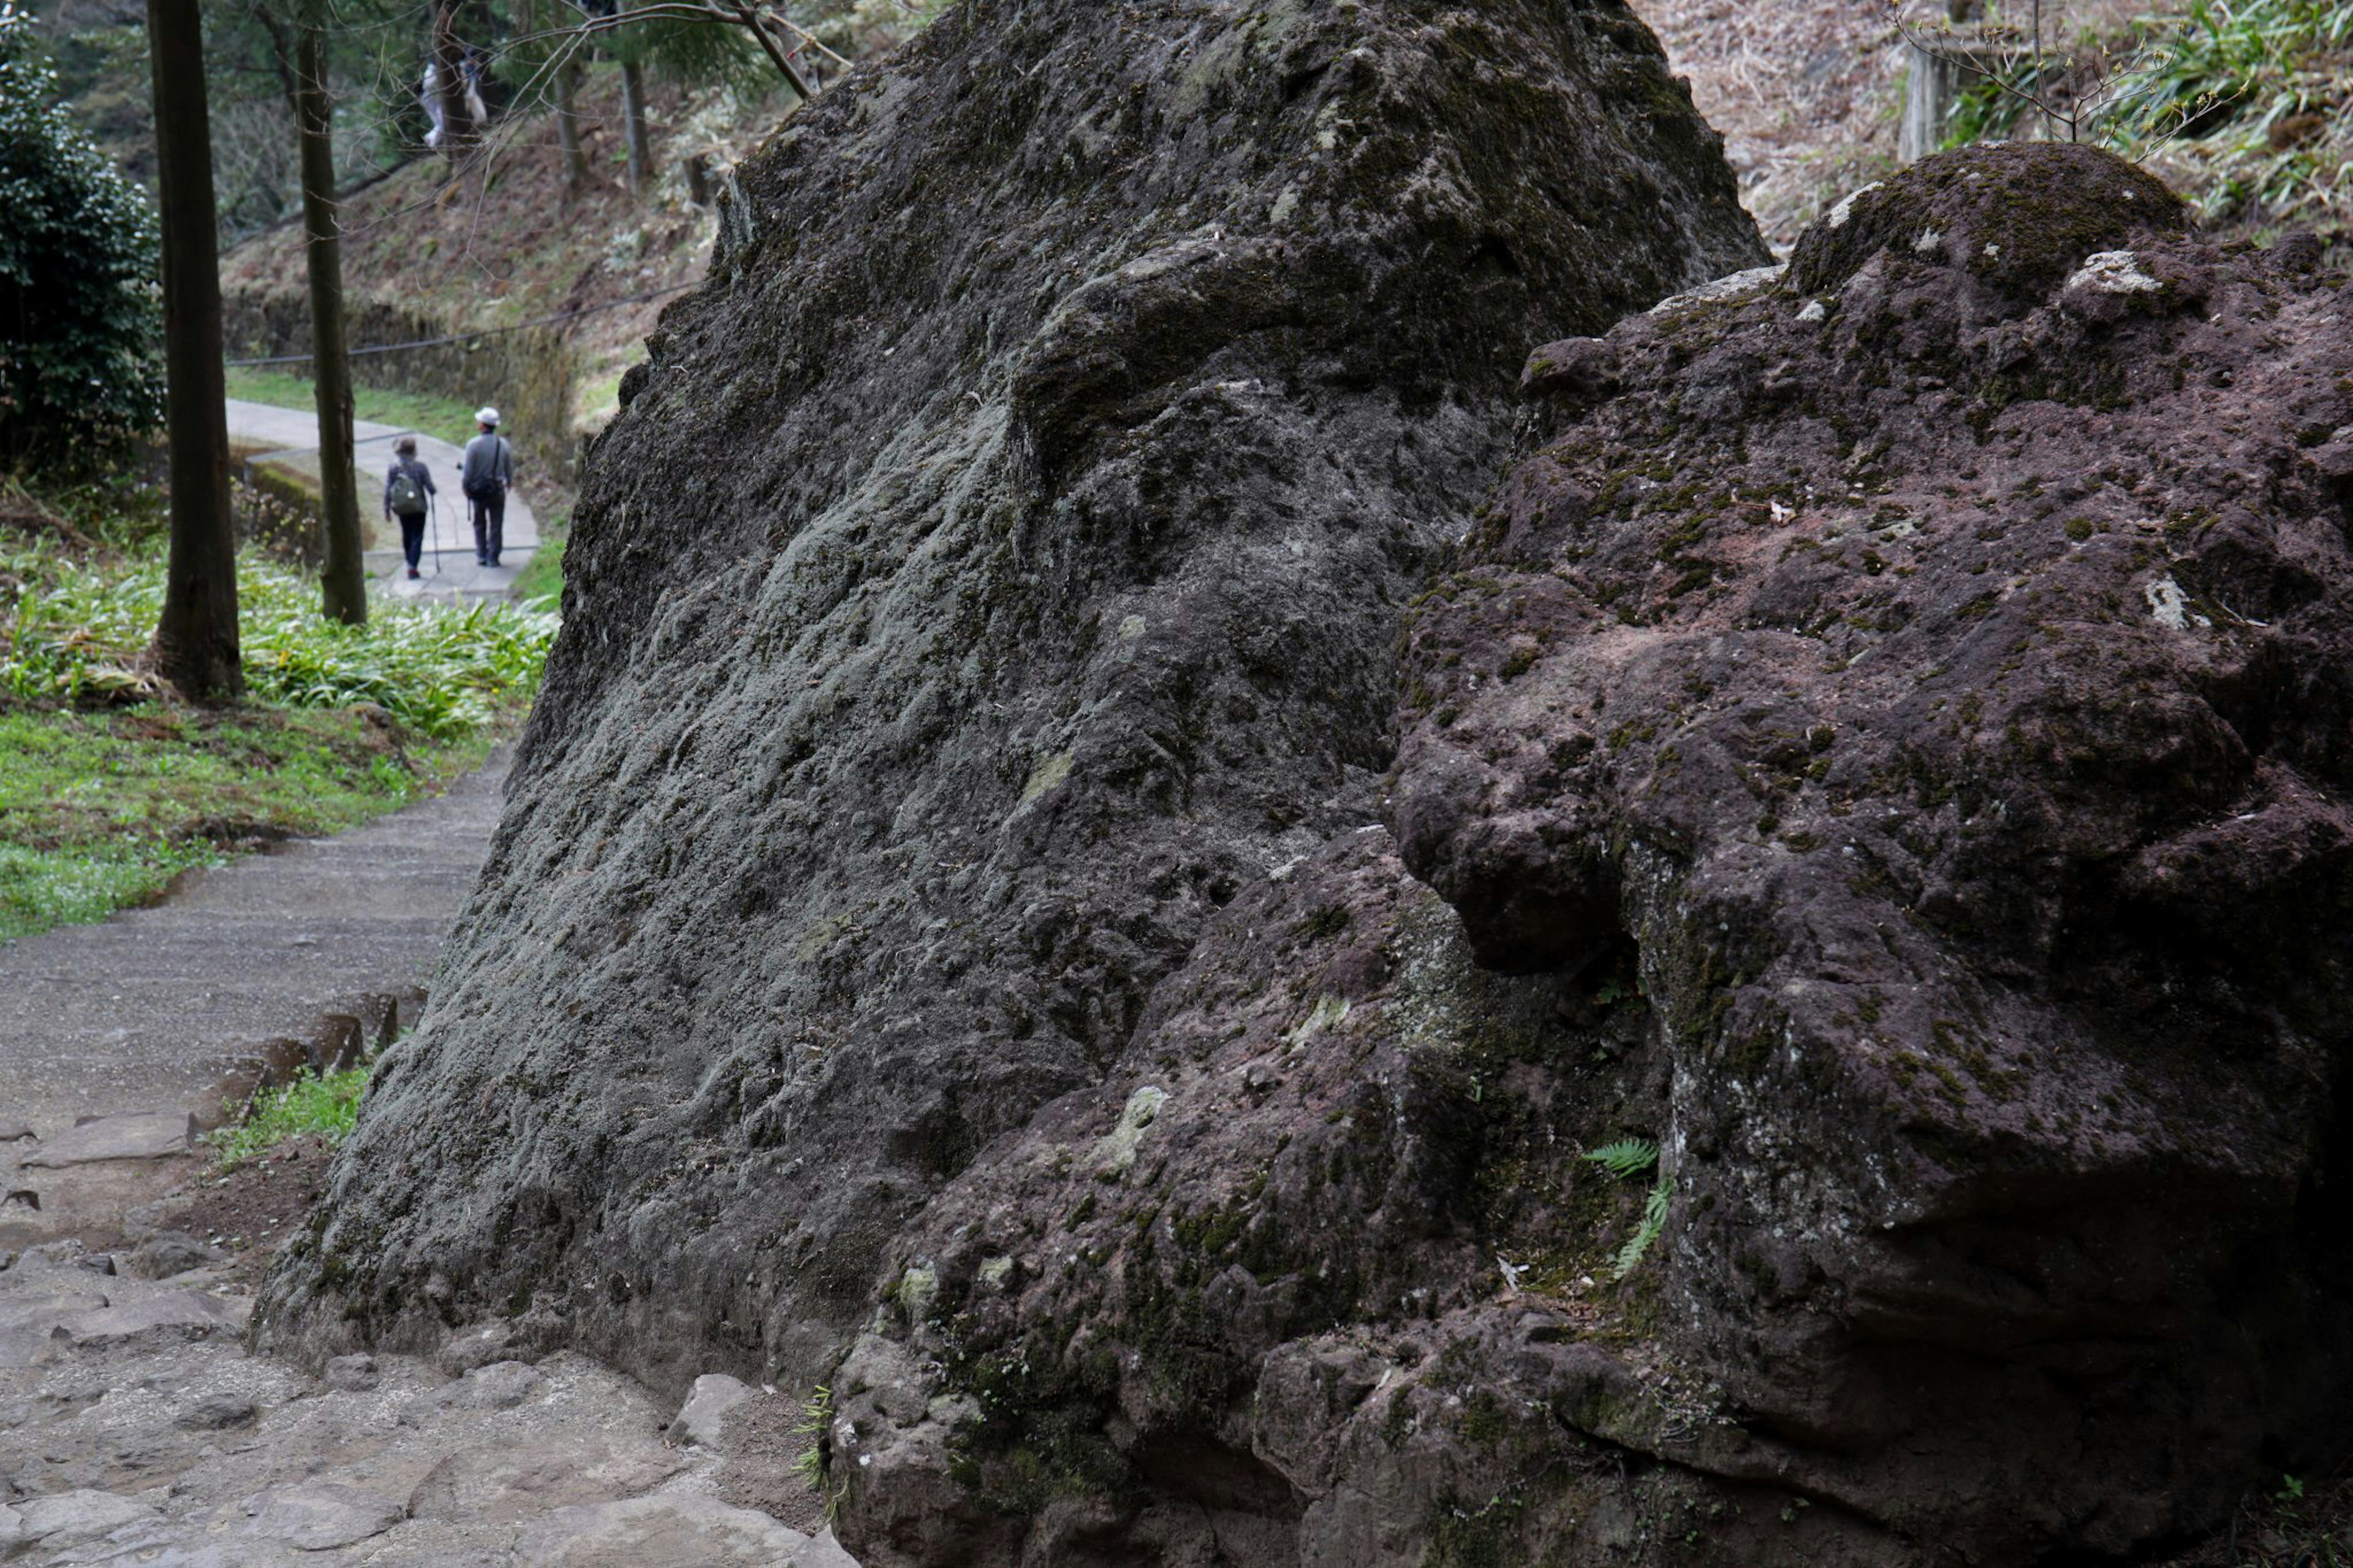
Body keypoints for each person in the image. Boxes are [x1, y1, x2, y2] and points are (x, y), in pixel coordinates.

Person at [461, 406, 515, 567]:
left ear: (483, 425)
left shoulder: (473, 445)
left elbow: (468, 470)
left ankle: (482, 554)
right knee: (496, 523)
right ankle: (494, 556)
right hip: (497, 489)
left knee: (479, 523)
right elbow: (508, 467)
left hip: (478, 491)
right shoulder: (503, 444)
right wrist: (509, 481)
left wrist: (465, 486)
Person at [383, 435, 436, 580]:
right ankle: (413, 566)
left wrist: (386, 509)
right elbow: (430, 487)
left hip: (402, 508)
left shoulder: (393, 468)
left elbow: (388, 489)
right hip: (419, 507)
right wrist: (433, 491)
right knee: (417, 536)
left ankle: (409, 561)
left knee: (406, 534)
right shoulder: (421, 467)